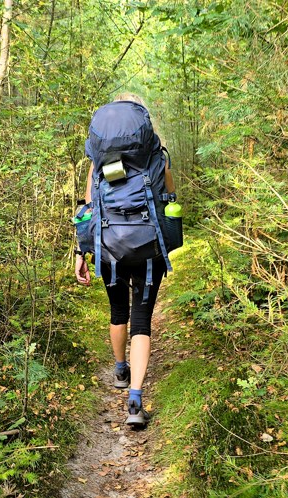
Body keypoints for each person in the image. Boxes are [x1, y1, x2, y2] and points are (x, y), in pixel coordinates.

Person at [74, 93, 176, 428]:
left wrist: (82, 252)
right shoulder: (157, 159)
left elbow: (88, 208)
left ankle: (120, 370)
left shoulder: (98, 165)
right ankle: (135, 401)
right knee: (141, 319)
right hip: (148, 248)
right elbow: (169, 198)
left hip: (109, 246)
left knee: (118, 310)